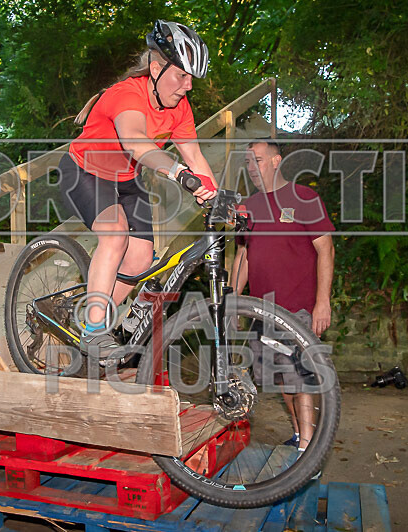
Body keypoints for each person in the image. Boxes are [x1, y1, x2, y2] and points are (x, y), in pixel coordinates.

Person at [59, 20, 218, 357]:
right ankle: (94, 329)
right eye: (181, 75)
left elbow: (196, 157)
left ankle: (88, 314)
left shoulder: (179, 108)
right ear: (157, 68)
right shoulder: (126, 94)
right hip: (84, 171)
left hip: (125, 179)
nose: (188, 86)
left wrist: (221, 198)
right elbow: (135, 142)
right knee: (115, 235)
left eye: (192, 78)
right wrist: (178, 173)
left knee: (141, 259)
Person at [231, 140, 335, 451]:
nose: (251, 167)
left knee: (300, 379)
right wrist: (234, 301)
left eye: (258, 160)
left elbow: (326, 250)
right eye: (248, 162)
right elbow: (243, 256)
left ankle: (307, 449)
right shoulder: (247, 207)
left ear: (277, 161)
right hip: (262, 311)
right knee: (282, 380)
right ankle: (302, 435)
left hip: (298, 309)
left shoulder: (304, 197)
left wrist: (322, 302)